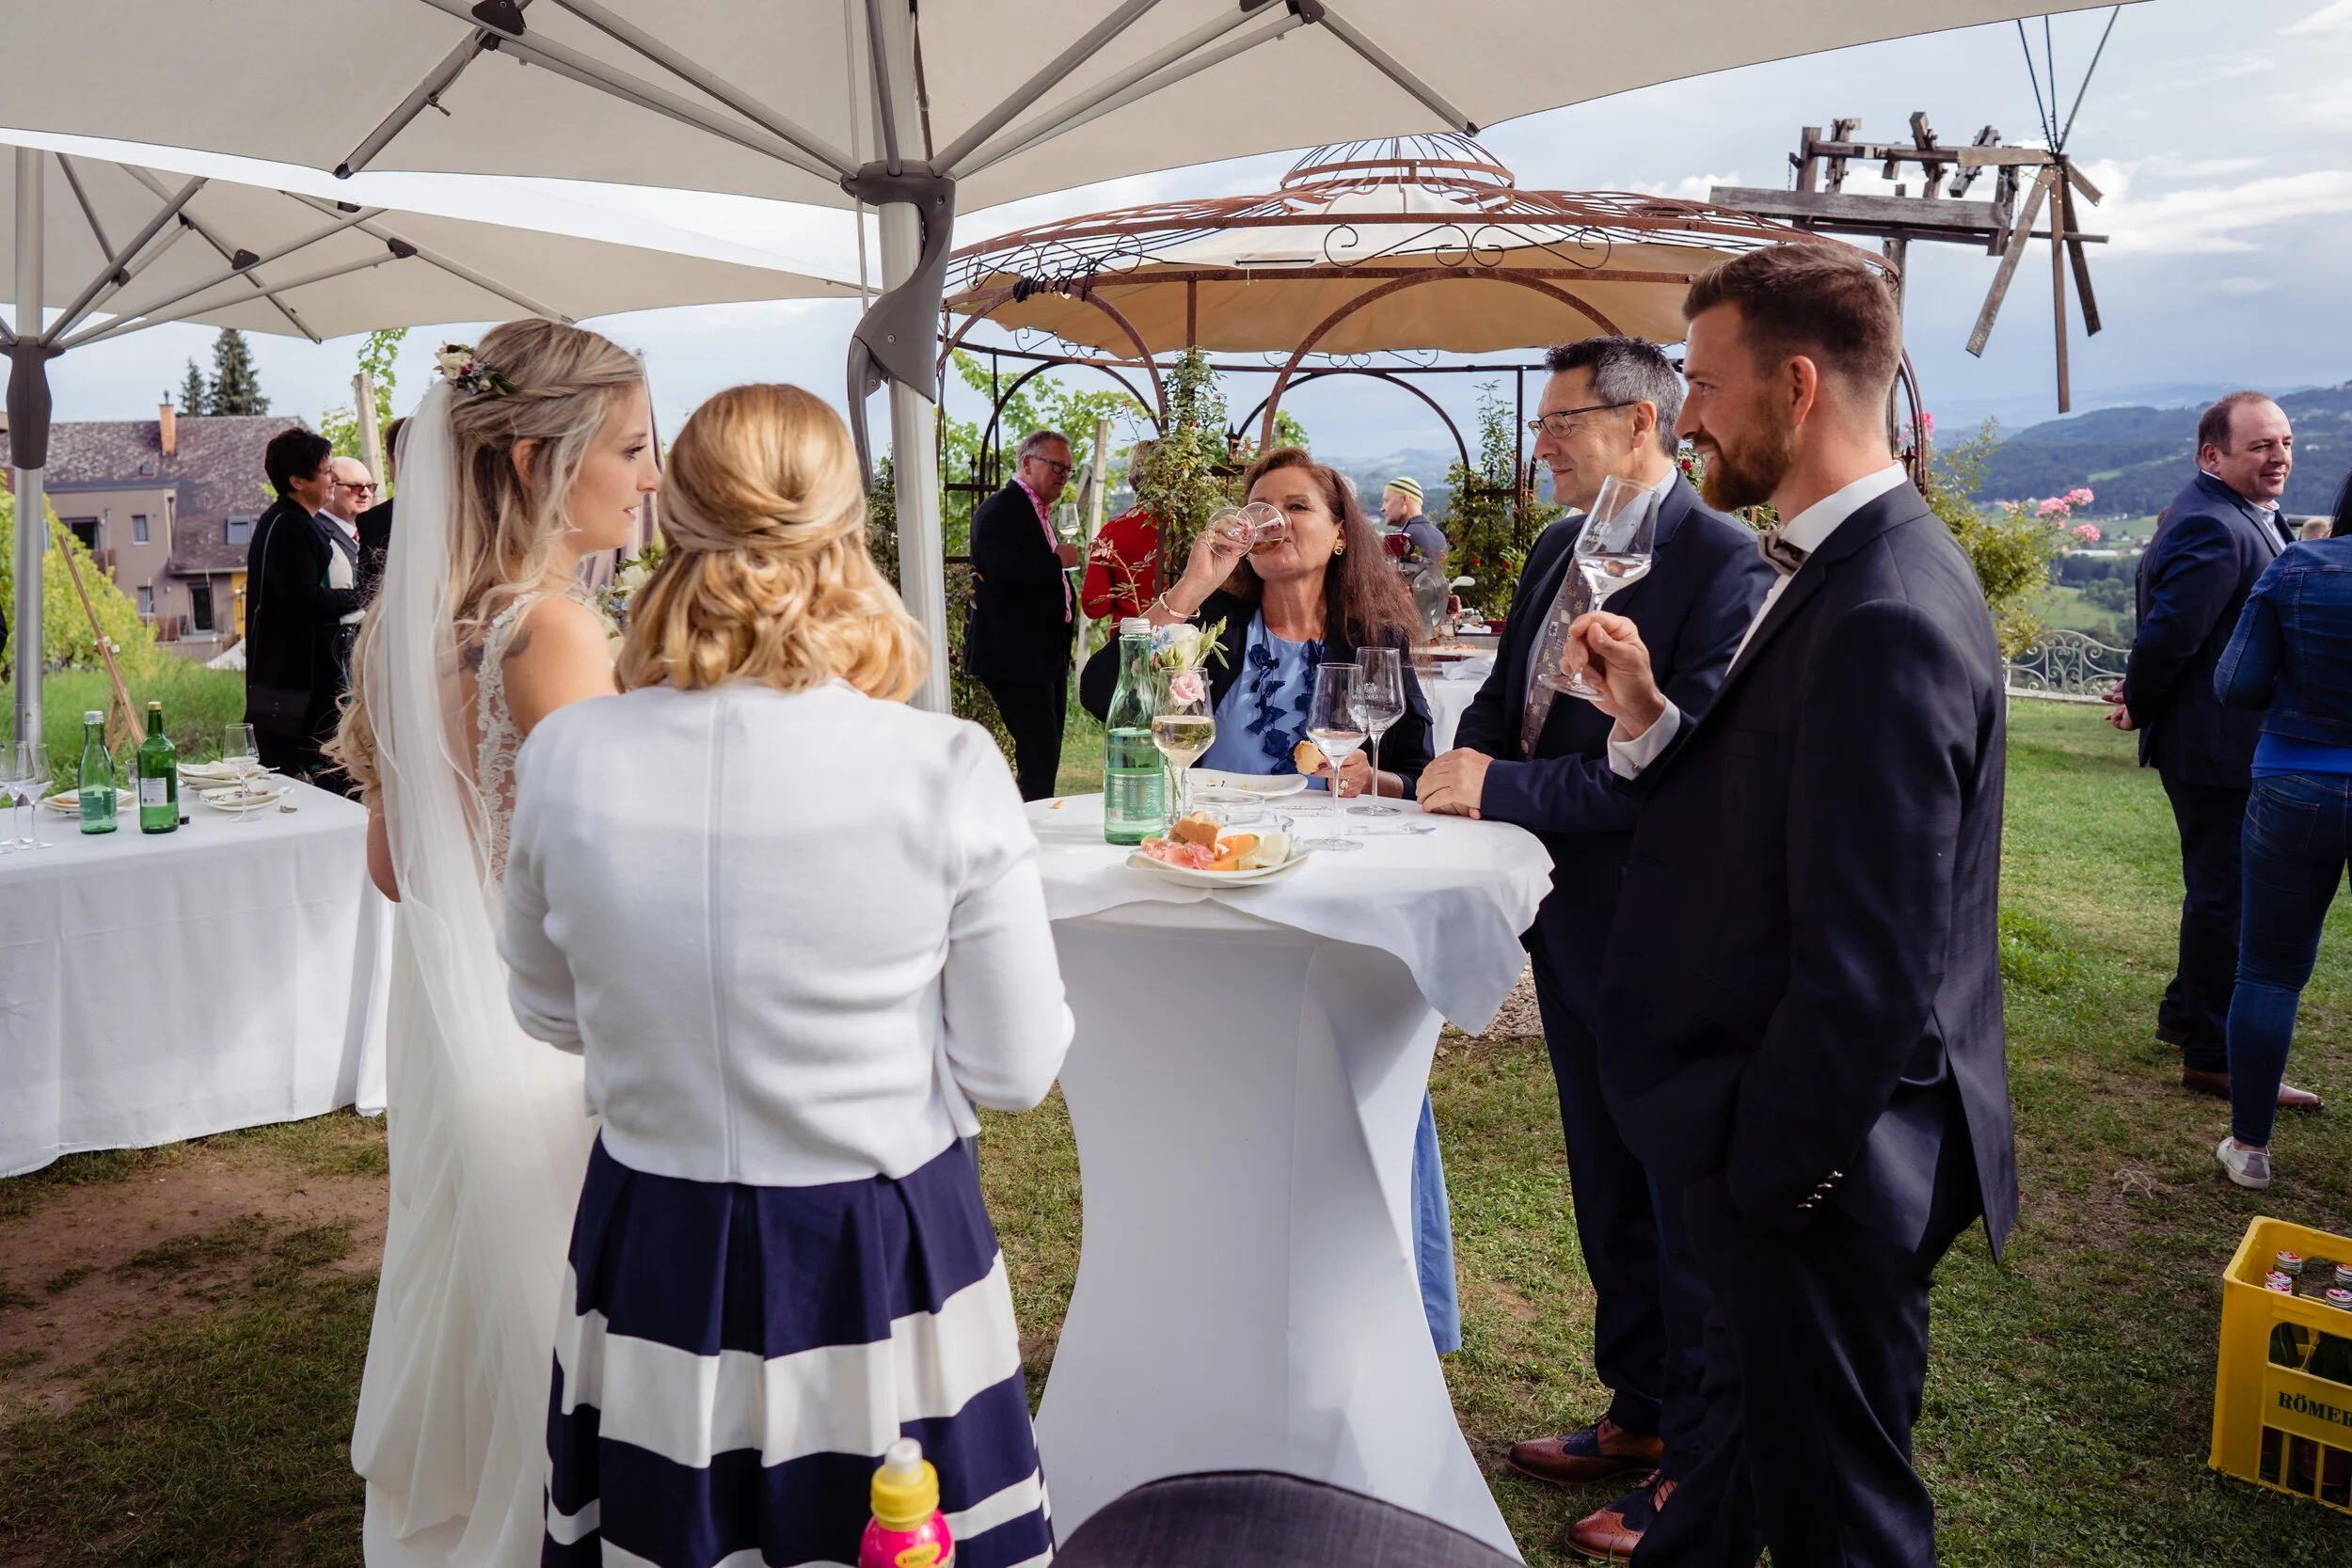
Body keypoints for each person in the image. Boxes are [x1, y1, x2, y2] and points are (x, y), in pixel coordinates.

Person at [501, 383, 1069, 1567]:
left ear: (672, 524)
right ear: (849, 531)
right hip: (876, 1240)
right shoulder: (944, 764)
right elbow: (1014, 1067)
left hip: (656, 1229)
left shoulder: (568, 755)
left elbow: (547, 1005)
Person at [1565, 243, 2017, 1567]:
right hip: (1791, 1157)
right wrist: (1648, 719)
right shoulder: (1842, 560)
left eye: (1704, 385)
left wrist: (1769, 1175)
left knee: (1843, 1520)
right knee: (1731, 1477)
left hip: (1826, 1171)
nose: (1687, 417)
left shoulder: (1887, 606)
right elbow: (1781, 807)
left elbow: (1871, 966)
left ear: (1799, 385)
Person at [1417, 337, 1773, 1556]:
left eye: (1560, 420)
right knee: (1607, 1183)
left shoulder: (1723, 563)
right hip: (1564, 915)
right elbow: (1505, 700)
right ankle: (1639, 1407)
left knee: (1679, 1205)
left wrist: (1499, 790)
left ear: (1640, 424)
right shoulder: (1554, 547)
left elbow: (1673, 771)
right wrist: (1457, 764)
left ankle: (1696, 1463)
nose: (1541, 445)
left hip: (1662, 924)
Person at [327, 319, 659, 1568]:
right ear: (535, 459)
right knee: (563, 1287)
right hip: (549, 1022)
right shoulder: (556, 630)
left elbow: (394, 870)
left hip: (449, 1013)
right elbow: (610, 866)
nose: (648, 476)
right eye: (630, 447)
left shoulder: (407, 632)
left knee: (476, 1264)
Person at [1076, 446, 1459, 1349]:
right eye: (1259, 507)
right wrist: (1191, 585)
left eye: (1298, 506)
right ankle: (1214, 1299)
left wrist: (1376, 778)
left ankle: (1377, 1301)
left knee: (1355, 1080)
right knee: (1217, 1092)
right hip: (1215, 889)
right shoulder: (1214, 624)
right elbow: (1101, 695)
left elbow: (1415, 769)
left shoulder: (1374, 638)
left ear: (1340, 534)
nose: (1275, 521)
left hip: (1333, 891)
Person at [2110, 391, 2316, 1108]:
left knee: (2220, 888)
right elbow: (2170, 636)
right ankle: (2213, 1053)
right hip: (2216, 746)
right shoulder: (2214, 525)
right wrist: (2139, 700)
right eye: (2261, 445)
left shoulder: (2243, 512)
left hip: (2226, 740)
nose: (2279, 456)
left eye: (2285, 442)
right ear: (2212, 456)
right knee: (2227, 895)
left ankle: (2183, 1013)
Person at [2209, 469, 2352, 1189]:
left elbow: (2235, 684)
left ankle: (2250, 1149)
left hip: (2295, 782)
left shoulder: (2299, 566)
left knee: (2267, 970)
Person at [966, 428, 1085, 800]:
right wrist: (1057, 561)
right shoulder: (1002, 510)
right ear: (1028, 463)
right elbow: (1005, 572)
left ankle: (1032, 823)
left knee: (1045, 756)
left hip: (1043, 655)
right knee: (1039, 758)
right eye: (1056, 466)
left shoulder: (1039, 512)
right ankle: (1027, 826)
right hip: (1015, 657)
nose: (1063, 475)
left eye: (1068, 469)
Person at [245, 426, 360, 780]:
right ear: (297, 480)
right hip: (293, 685)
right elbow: (302, 599)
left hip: (296, 679)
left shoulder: (292, 520)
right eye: (326, 471)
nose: (334, 478)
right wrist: (361, 597)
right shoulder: (289, 526)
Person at [1081, 438, 1162, 623]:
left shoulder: (1111, 533)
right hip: (1186, 636)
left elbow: (1094, 606)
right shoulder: (1191, 529)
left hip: (1129, 637)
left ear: (1132, 483)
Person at [357, 415, 405, 601]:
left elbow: (368, 592)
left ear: (397, 459)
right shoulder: (466, 511)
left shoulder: (374, 521)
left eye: (388, 463)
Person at [1382, 476, 1449, 567]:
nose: (1382, 508)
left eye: (1386, 501)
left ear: (1404, 500)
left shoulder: (1400, 538)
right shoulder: (1439, 535)